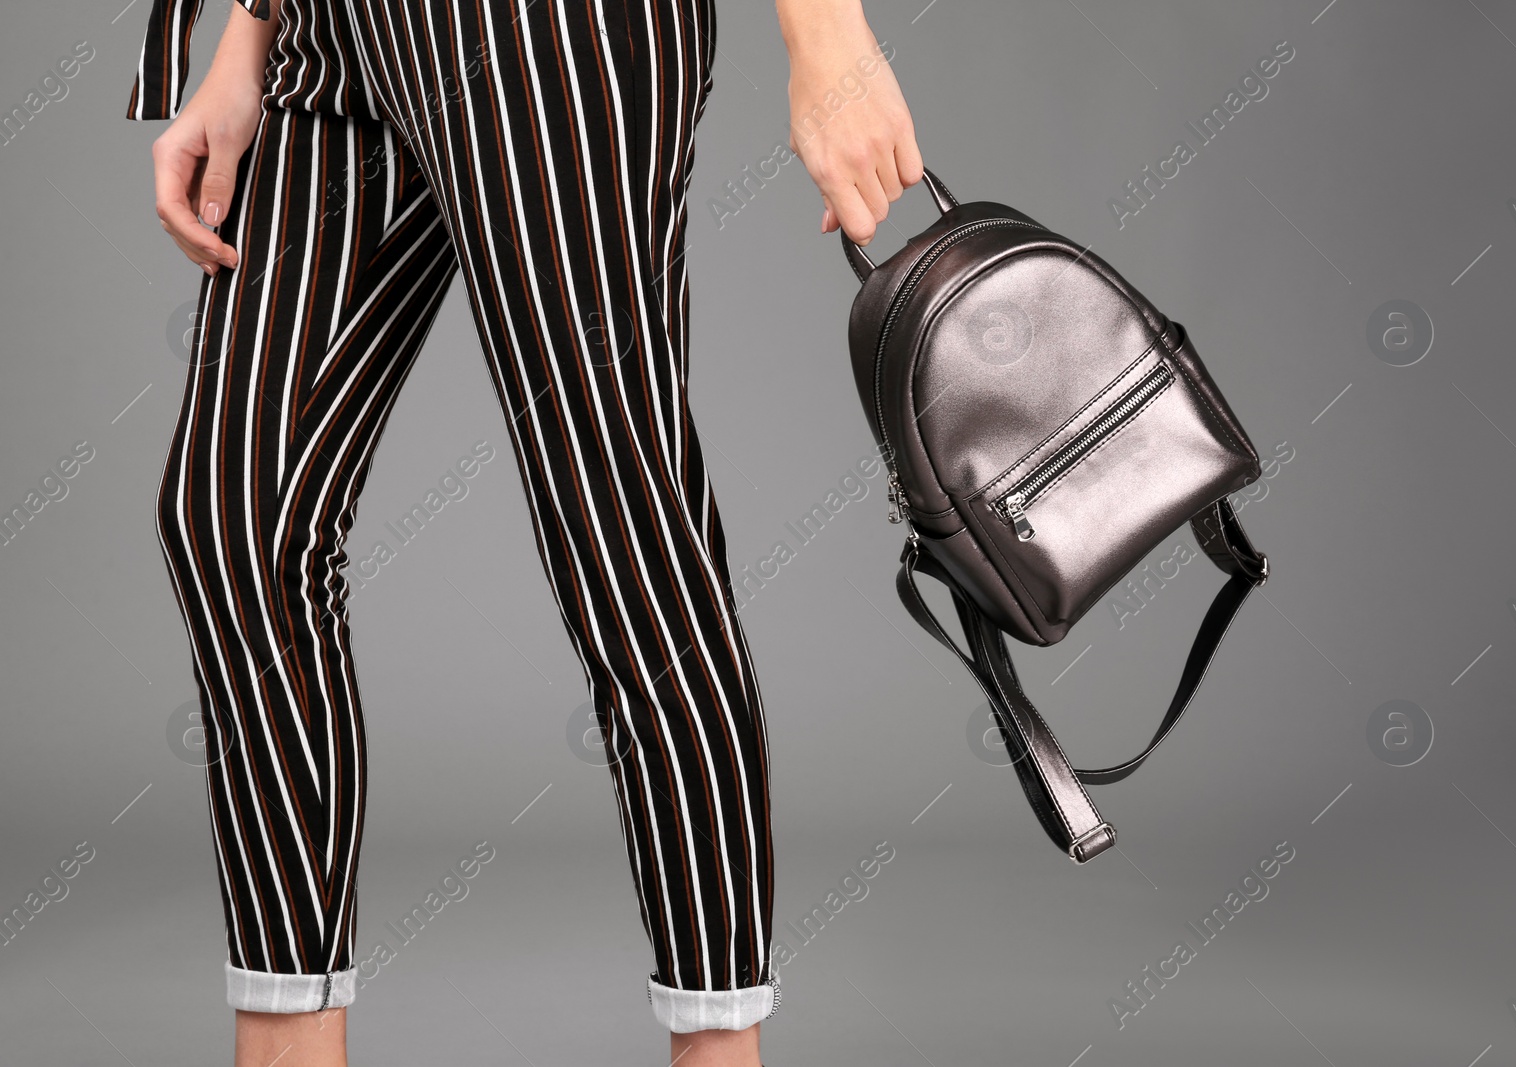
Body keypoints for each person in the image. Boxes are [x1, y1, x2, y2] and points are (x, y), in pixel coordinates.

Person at [127, 0, 922, 1063]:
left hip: (541, 34)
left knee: (622, 541)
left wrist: (822, 29)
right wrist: (245, 37)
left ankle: (719, 1048)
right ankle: (288, 1047)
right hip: (335, 34)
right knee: (231, 519)